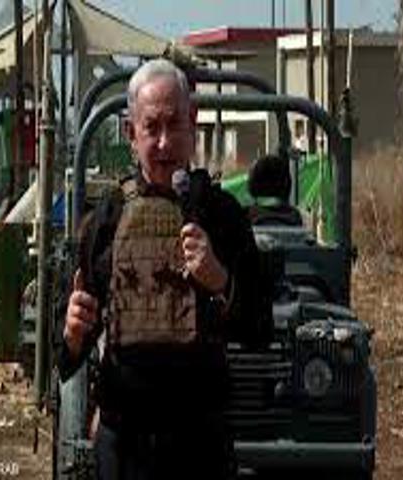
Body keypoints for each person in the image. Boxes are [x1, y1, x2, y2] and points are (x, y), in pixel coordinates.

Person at [59, 59, 260, 480]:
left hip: (200, 444)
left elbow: (259, 328)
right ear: (131, 133)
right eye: (152, 128)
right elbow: (65, 358)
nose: (165, 142)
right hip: (124, 442)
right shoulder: (106, 220)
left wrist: (221, 281)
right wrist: (74, 333)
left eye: (175, 125)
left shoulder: (223, 217)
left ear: (193, 122)